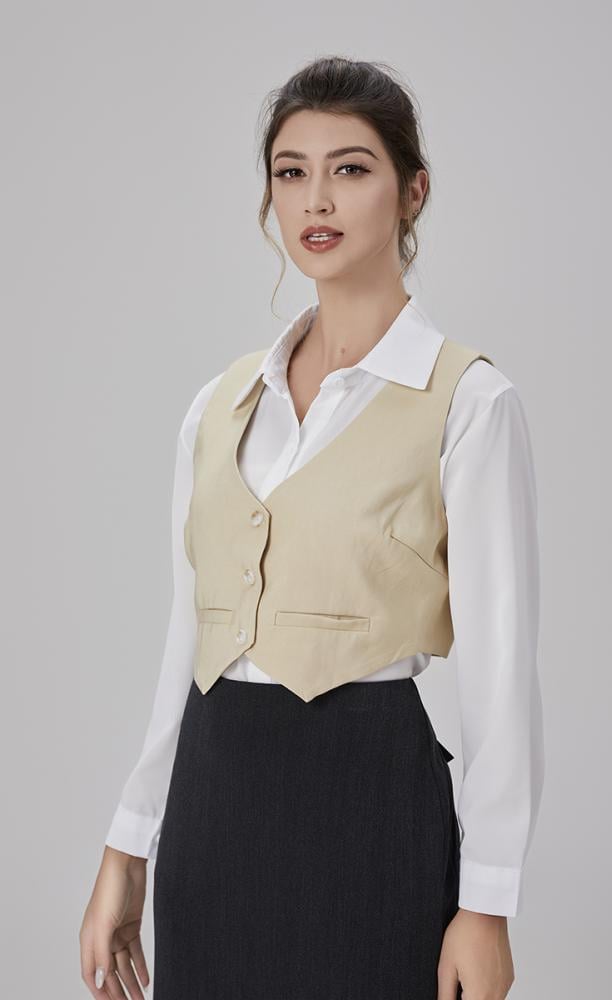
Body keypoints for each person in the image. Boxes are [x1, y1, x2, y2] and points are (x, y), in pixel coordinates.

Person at [80, 56, 544, 1000]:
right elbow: (190, 636)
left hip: (368, 800)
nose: (316, 199)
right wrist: (129, 843)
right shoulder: (220, 404)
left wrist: (488, 903)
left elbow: (502, 675)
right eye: (290, 172)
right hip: (213, 805)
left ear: (412, 192)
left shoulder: (468, 403)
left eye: (351, 168)